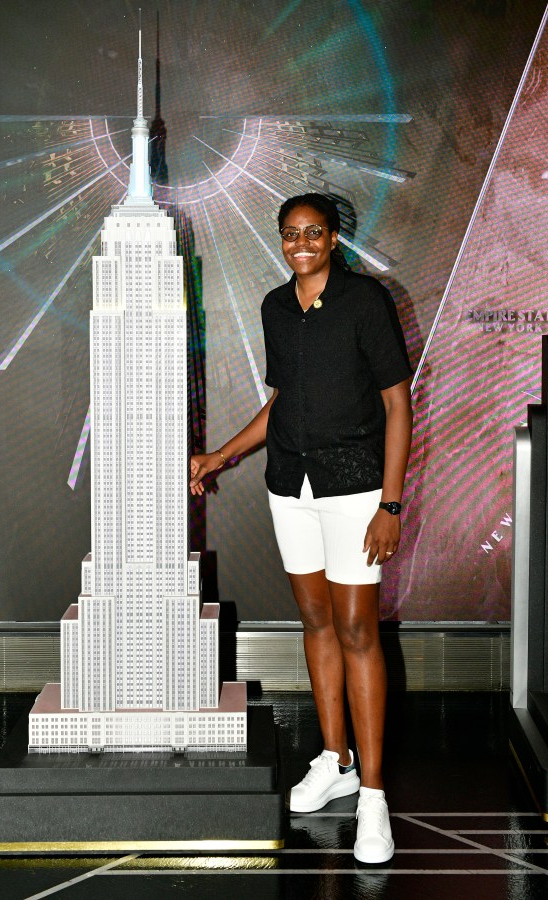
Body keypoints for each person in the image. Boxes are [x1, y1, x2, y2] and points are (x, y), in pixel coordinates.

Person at [190, 193, 412, 865]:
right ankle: (334, 760)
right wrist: (221, 455)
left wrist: (391, 505)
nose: (302, 243)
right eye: (291, 234)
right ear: (281, 241)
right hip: (291, 486)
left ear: (334, 239)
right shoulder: (275, 307)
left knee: (356, 631)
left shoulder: (364, 302)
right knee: (316, 625)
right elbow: (281, 404)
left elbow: (398, 404)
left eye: (314, 233)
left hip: (355, 491)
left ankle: (373, 796)